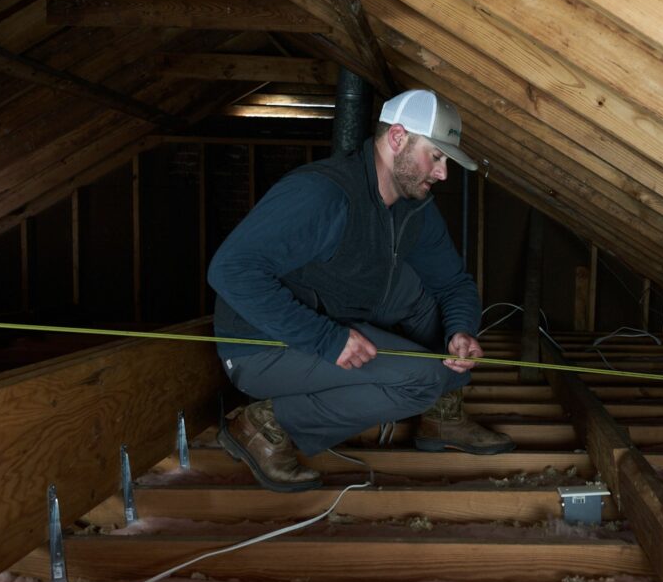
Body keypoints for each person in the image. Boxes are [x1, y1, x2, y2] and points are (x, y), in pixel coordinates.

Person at [207, 89, 514, 492]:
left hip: (333, 315)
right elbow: (230, 271)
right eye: (436, 157)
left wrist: (460, 330)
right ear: (398, 138)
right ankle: (264, 424)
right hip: (261, 346)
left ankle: (442, 414)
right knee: (419, 380)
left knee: (424, 297)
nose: (442, 173)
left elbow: (453, 283)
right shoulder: (321, 194)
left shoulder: (412, 206)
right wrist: (326, 339)